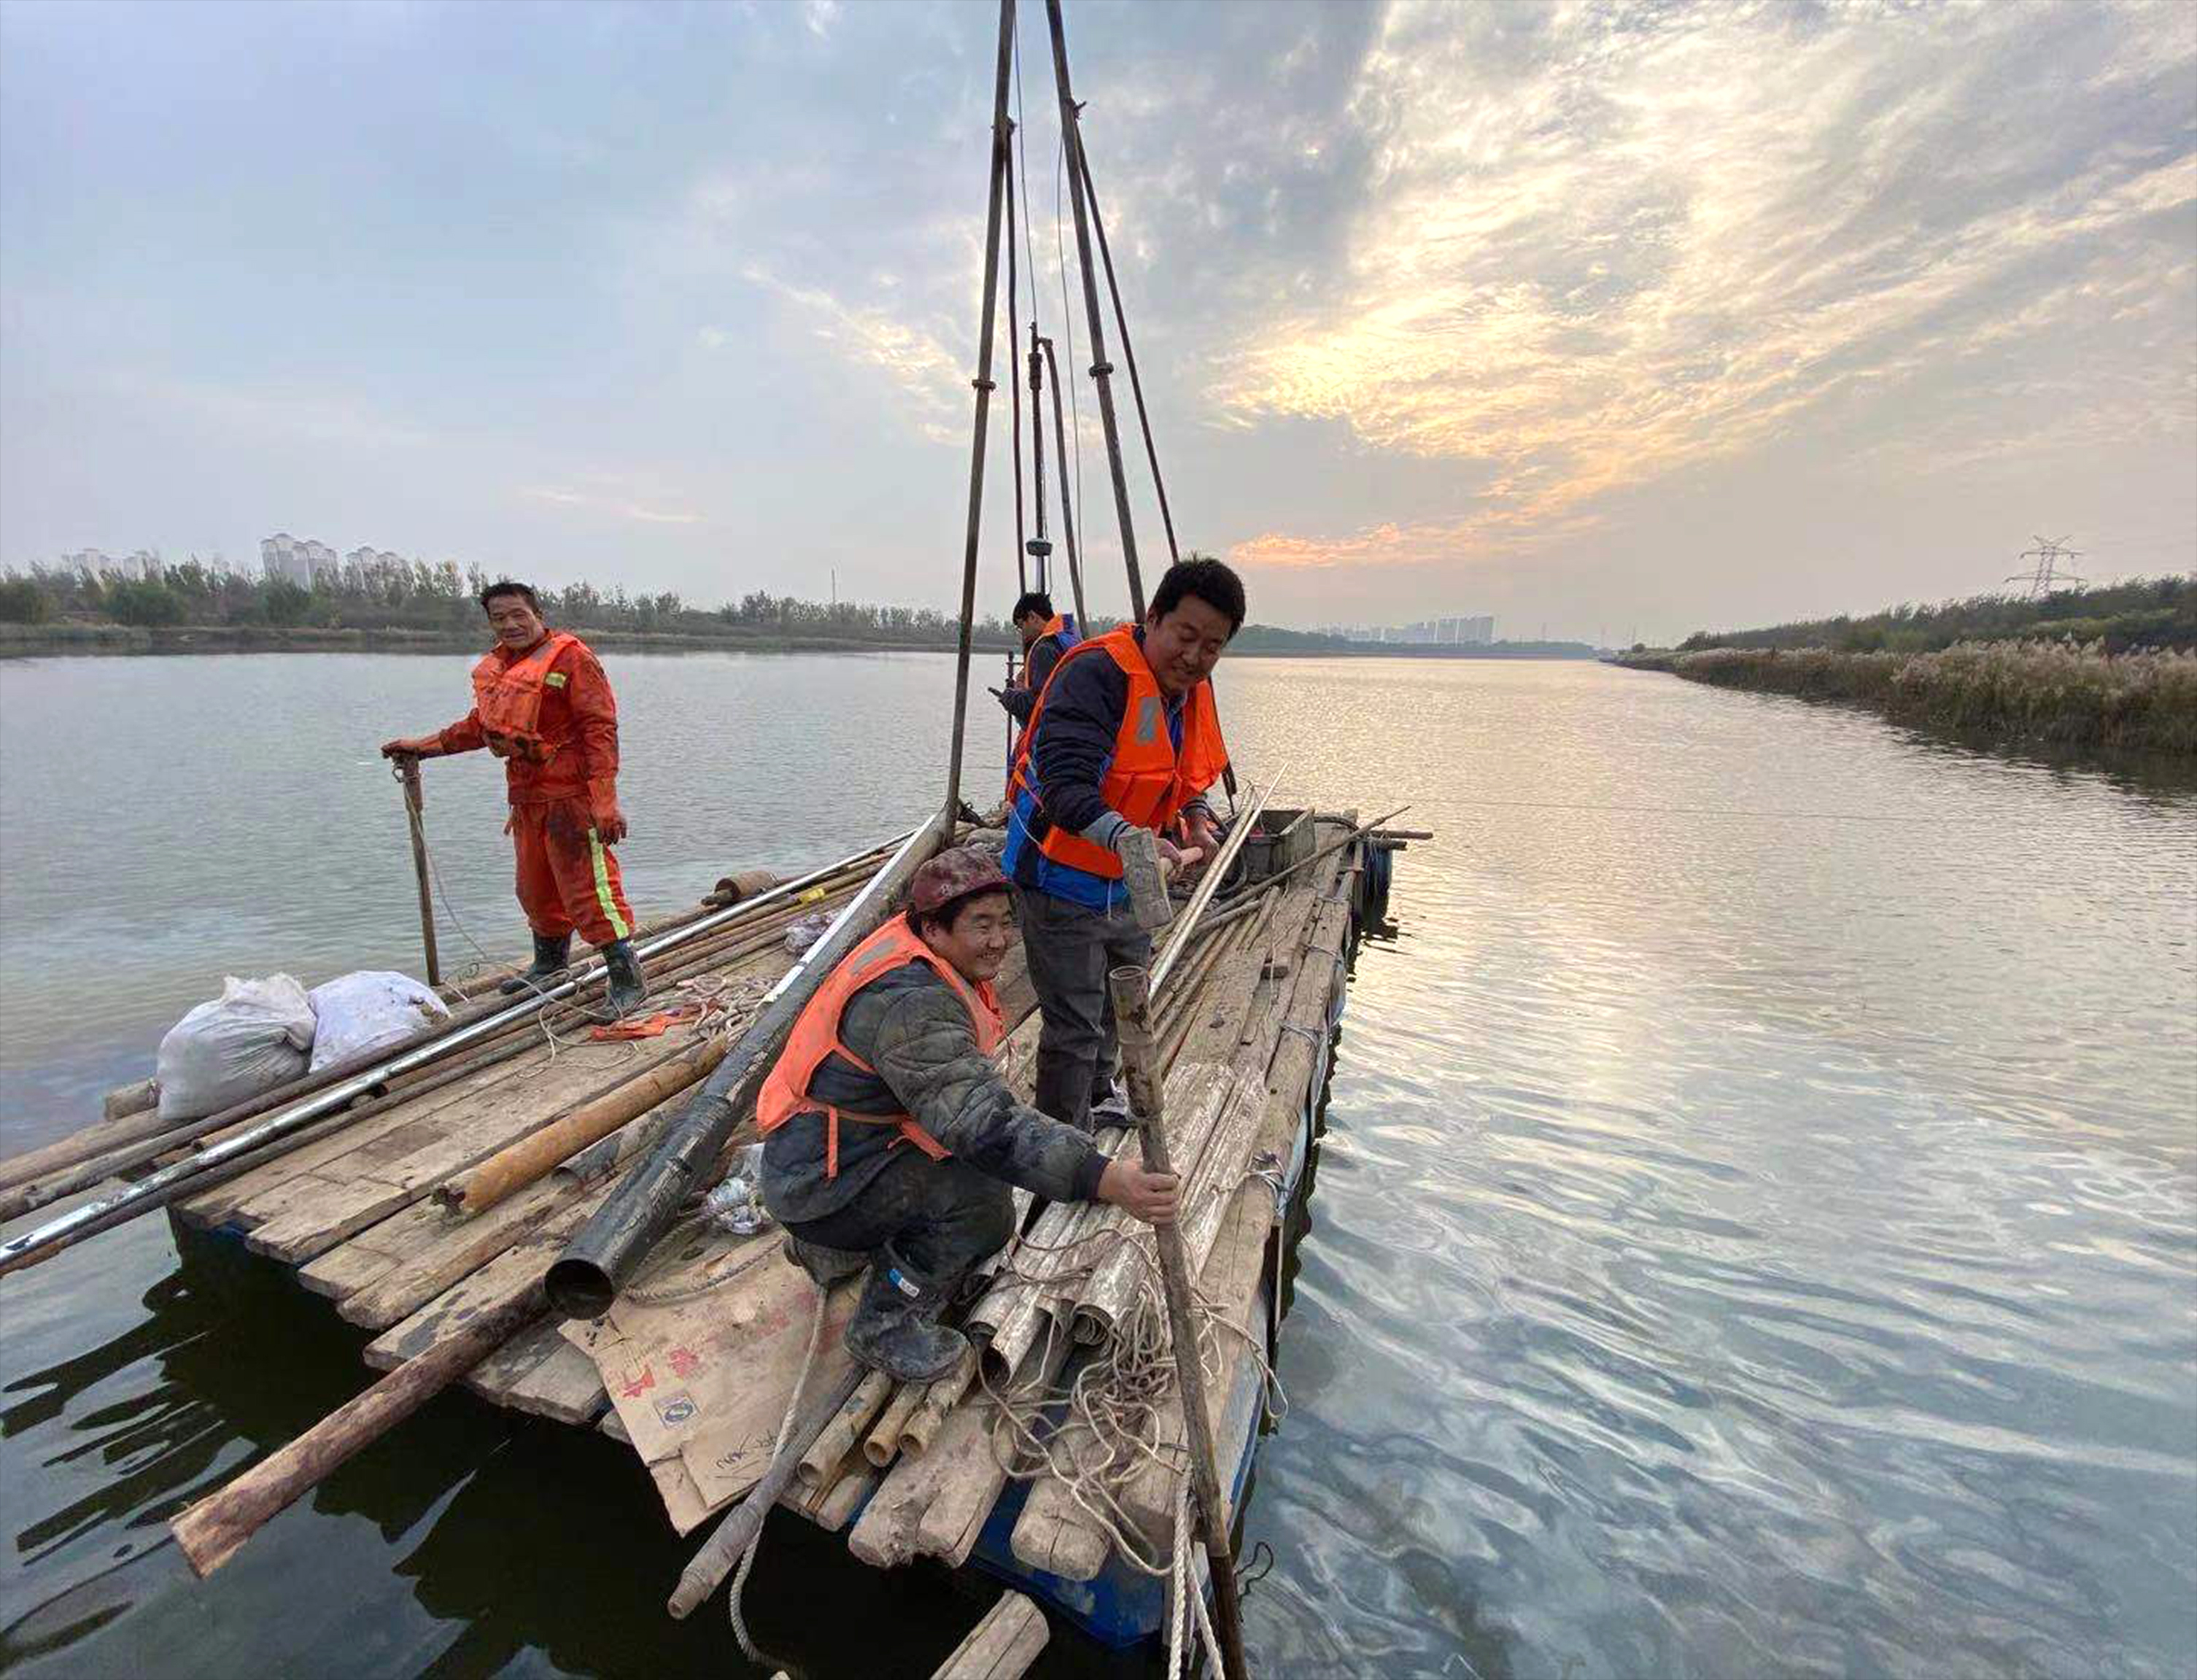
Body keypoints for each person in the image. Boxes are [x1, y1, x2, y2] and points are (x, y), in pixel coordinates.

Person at [758, 846, 1180, 1382]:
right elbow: (983, 1125)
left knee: (964, 1173)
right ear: (933, 929)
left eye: (1006, 922)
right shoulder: (910, 1003)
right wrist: (1103, 1177)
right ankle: (883, 1325)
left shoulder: (914, 946)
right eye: (982, 925)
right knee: (982, 1207)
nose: (1000, 940)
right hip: (820, 1180)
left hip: (829, 1152)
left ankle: (828, 1250)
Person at [1001, 556, 1242, 1133]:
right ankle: (1063, 1144)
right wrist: (1135, 842)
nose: (1194, 656)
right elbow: (1064, 789)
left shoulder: (1188, 688)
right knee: (1074, 1024)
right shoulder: (1097, 675)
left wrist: (1196, 819)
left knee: (1123, 1000)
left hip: (1127, 881)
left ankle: (1100, 1095)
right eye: (1185, 635)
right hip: (1059, 879)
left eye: (1212, 647)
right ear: (1153, 618)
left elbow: (1182, 770)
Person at [380, 580, 647, 1015]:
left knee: (589, 891)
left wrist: (604, 800)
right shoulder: (503, 667)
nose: (510, 625)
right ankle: (550, 964)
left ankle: (627, 978)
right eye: (499, 618)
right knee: (535, 890)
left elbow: (600, 731)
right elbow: (480, 727)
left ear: (538, 614)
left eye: (518, 615)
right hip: (527, 797)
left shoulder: (573, 660)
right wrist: (421, 747)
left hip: (572, 797)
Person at [991, 590, 1080, 726]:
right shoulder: (1069, 642)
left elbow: (1038, 706)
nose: (1023, 634)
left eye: (1021, 626)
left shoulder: (1044, 650)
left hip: (1053, 732)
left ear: (1033, 617)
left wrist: (1009, 697)